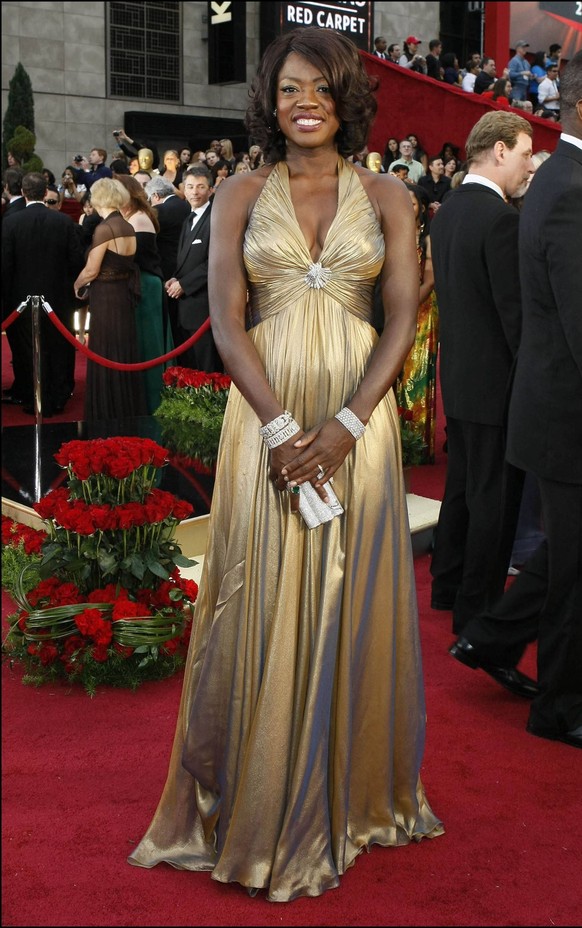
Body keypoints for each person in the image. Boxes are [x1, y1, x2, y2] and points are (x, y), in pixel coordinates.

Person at [128, 25, 444, 900]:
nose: (306, 103)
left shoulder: (388, 194)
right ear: (270, 101)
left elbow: (402, 316)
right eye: (290, 88)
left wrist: (346, 425)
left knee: (350, 592)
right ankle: (255, 795)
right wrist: (277, 429)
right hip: (263, 421)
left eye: (322, 87)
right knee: (256, 587)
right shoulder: (239, 190)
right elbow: (228, 320)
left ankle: (351, 796)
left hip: (358, 424)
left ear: (348, 98)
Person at [448, 52, 582, 749]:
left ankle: (493, 637)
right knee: (573, 570)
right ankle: (559, 707)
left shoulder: (558, 179)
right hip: (566, 412)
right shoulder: (570, 188)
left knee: (570, 555)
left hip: (551, 404)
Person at [429, 111, 535, 649]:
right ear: (499, 150)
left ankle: (446, 586)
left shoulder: (447, 211)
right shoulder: (500, 220)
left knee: (463, 487)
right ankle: (477, 609)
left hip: (459, 377)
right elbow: (514, 319)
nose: (529, 166)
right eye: (524, 154)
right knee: (494, 499)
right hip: (496, 385)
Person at [2, 171, 84, 415]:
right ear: (46, 191)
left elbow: (5, 265)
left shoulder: (11, 222)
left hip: (21, 299)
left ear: (23, 192)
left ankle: (32, 394)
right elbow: (75, 261)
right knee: (59, 346)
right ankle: (59, 394)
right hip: (58, 298)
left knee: (28, 348)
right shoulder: (63, 222)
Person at [73, 177, 147, 421]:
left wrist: (76, 284)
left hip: (106, 297)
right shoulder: (127, 226)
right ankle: (124, 410)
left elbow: (91, 270)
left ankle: (106, 412)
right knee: (122, 350)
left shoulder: (105, 229)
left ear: (99, 199)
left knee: (106, 349)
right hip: (123, 295)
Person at [114, 172, 173, 414]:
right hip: (140, 285)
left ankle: (152, 403)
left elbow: (127, 259)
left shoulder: (138, 219)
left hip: (146, 287)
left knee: (149, 345)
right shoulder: (133, 217)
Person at [395, 184, 439, 464]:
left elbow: (430, 280)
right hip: (396, 311)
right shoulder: (392, 232)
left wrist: (408, 306)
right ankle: (394, 440)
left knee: (416, 372)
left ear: (421, 207)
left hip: (421, 311)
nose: (405, 207)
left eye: (411, 203)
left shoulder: (428, 238)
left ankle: (416, 443)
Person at [165, 166, 223, 373]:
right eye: (190, 187)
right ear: (183, 189)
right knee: (191, 368)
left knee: (207, 366)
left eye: (200, 187)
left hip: (204, 306)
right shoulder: (188, 219)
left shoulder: (216, 218)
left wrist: (184, 284)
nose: (195, 192)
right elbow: (186, 260)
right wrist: (175, 278)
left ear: (211, 190)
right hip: (186, 307)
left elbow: (216, 261)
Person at [145, 174, 191, 346]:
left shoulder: (159, 211)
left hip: (166, 270)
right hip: (186, 268)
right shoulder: (186, 205)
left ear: (156, 195)